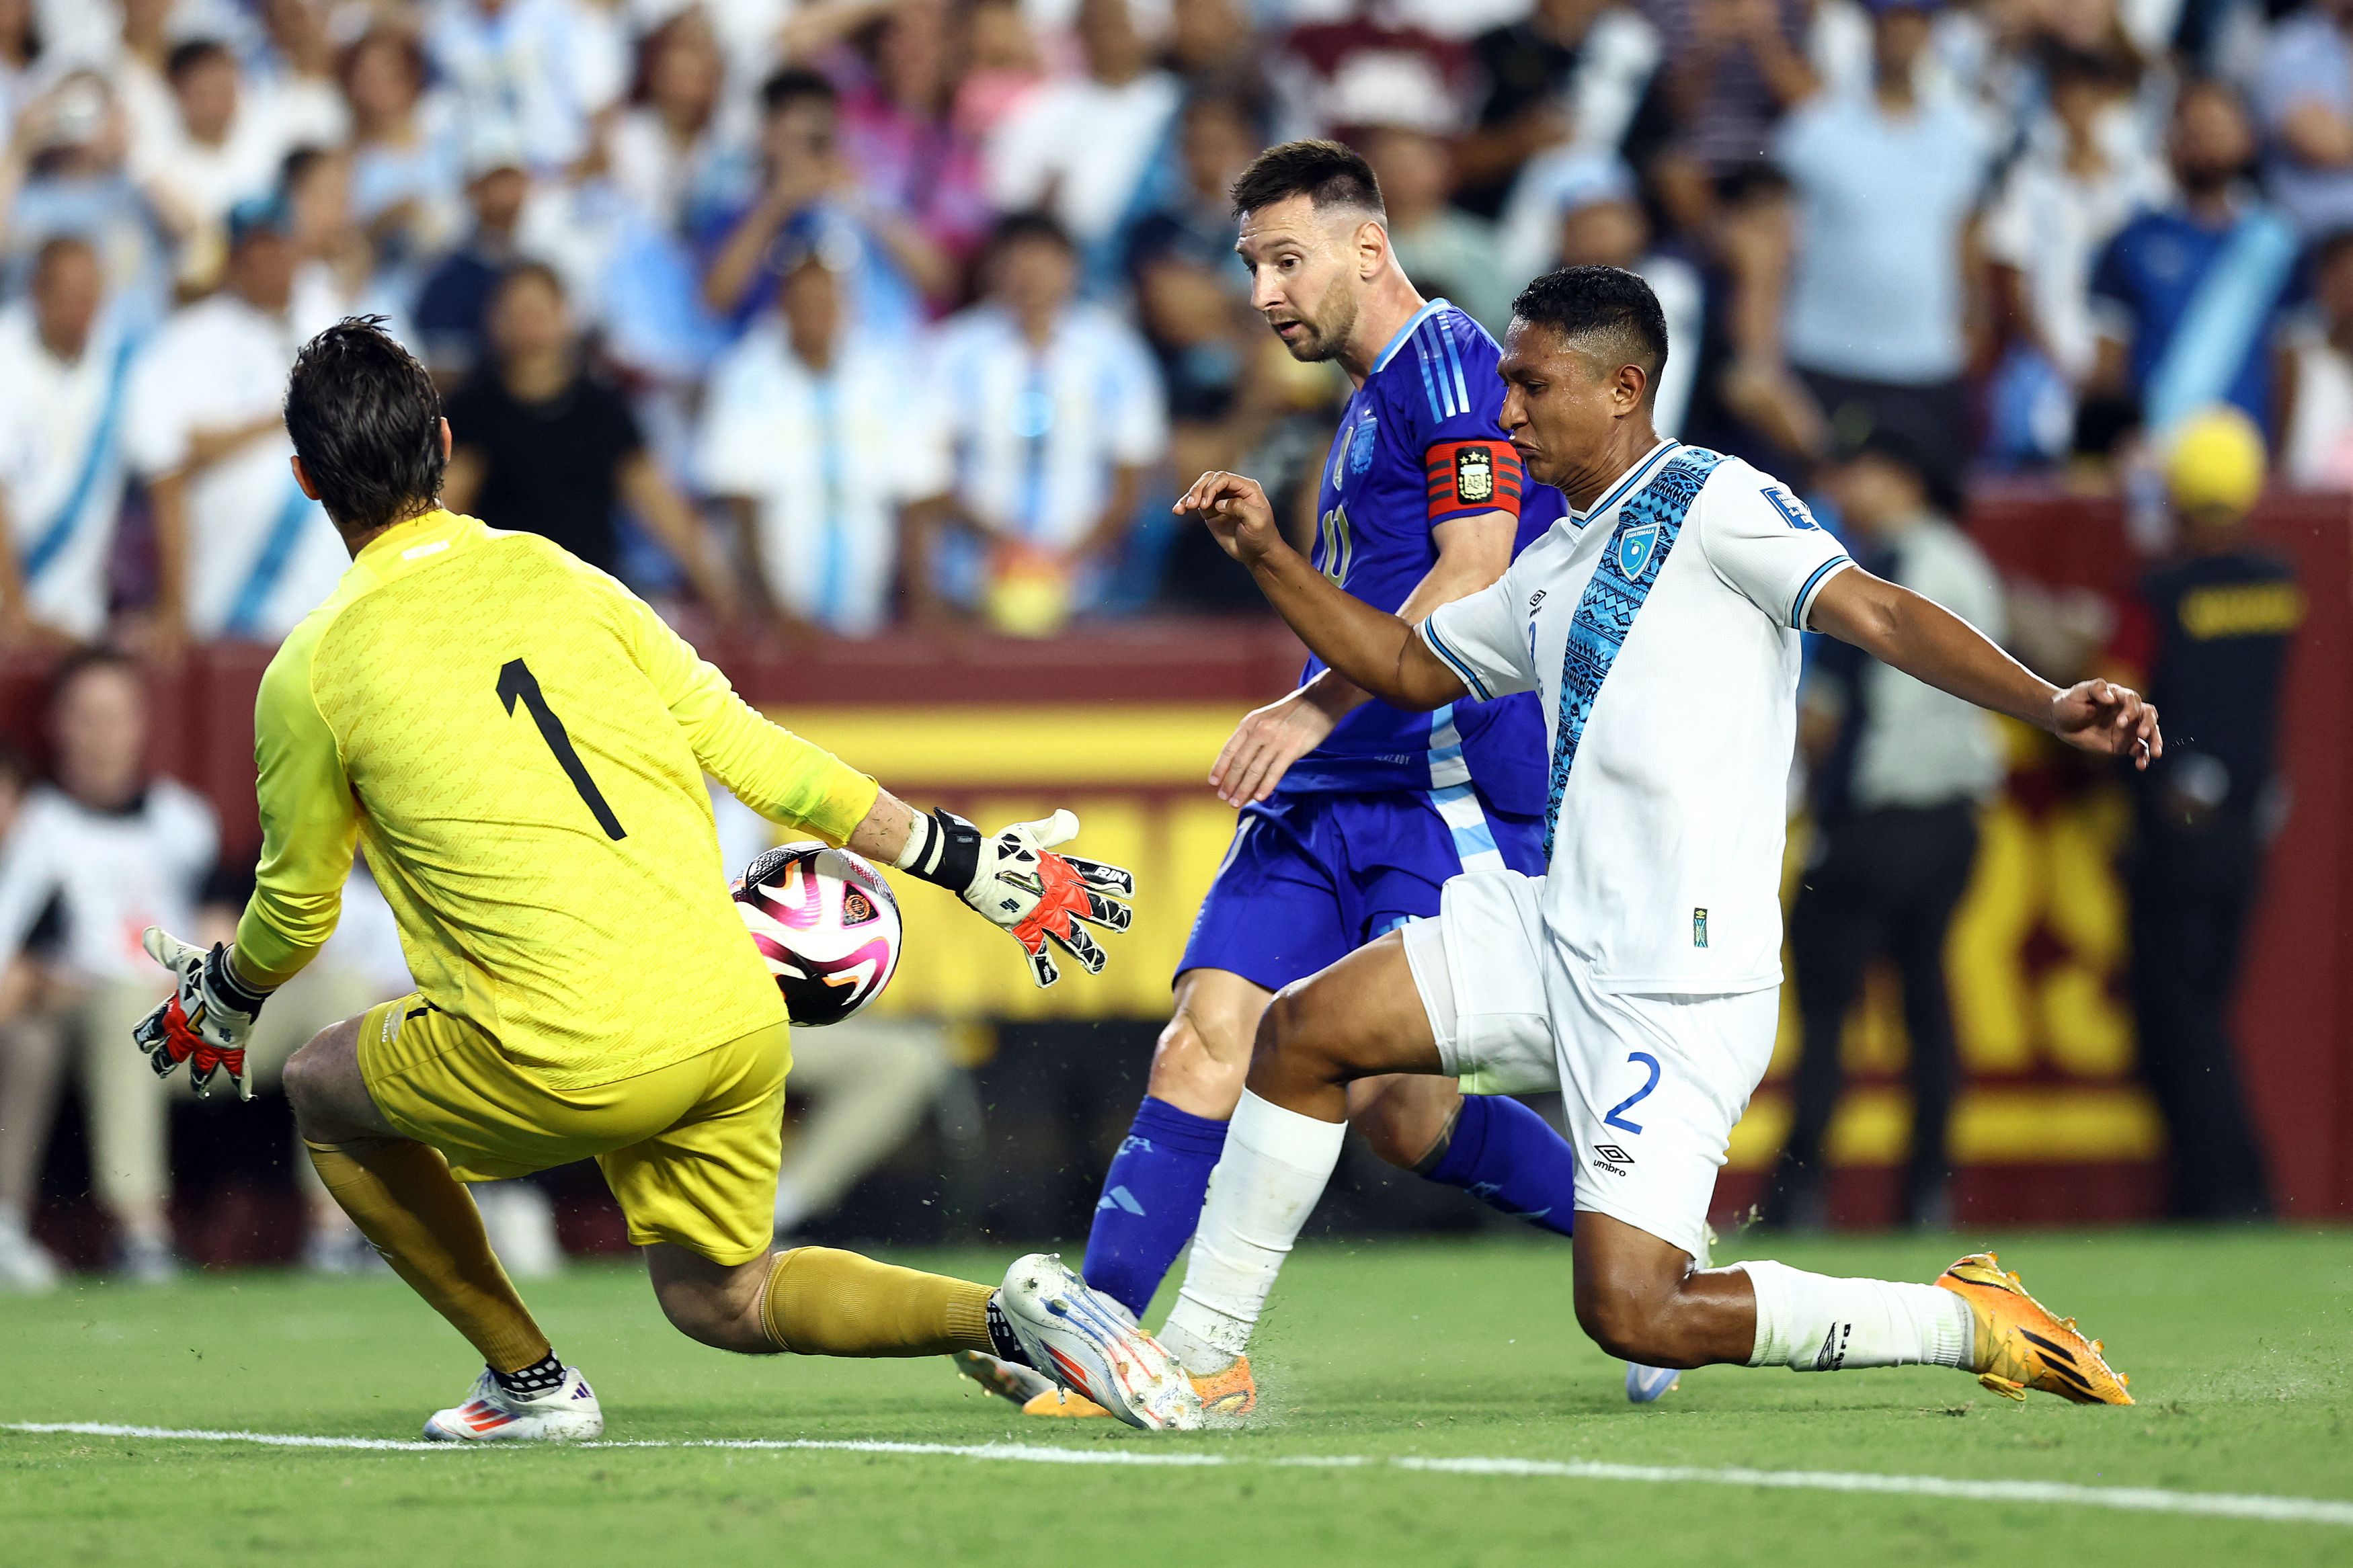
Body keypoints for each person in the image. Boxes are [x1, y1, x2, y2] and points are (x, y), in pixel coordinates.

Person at [129, 317, 1192, 1440]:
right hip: (734, 1016)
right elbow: (755, 750)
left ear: (302, 477)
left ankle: (530, 1382)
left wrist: (227, 991)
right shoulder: (568, 575)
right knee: (720, 1295)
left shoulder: (311, 666)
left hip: (564, 1051)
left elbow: (296, 909)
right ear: (443, 440)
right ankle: (1014, 1315)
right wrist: (960, 858)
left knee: (320, 1084)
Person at [1157, 263, 2158, 1411]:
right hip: (1551, 925)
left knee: (1639, 1310)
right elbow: (1399, 662)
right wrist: (1272, 557)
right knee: (1303, 1033)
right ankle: (1198, 1358)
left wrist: (2043, 701)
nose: (1507, 411)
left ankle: (1965, 1318)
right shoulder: (1551, 561)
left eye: (1531, 386)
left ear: (1623, 387)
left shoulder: (1716, 498)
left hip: (1673, 979)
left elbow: (1874, 606)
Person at [953, 141, 1677, 1418]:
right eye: (1251, 265)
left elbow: (1478, 565)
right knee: (1202, 1038)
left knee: (1402, 1109)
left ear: (1369, 247)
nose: (1263, 291)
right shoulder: (1356, 405)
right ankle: (1098, 1346)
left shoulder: (1451, 361)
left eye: (1288, 260)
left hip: (1437, 786)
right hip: (1334, 793)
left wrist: (1311, 702)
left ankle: (1658, 1262)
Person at [1763, 431, 2006, 1230]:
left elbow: (1829, 718)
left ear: (1898, 478)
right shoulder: (1966, 563)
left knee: (1828, 1008)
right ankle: (1927, 1192)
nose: (1840, 484)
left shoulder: (1881, 568)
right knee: (1924, 1000)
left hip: (1876, 814)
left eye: (1854, 469)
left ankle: (1799, 1192)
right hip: (1955, 818)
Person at [2115, 407, 2295, 1220]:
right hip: (2246, 830)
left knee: (2179, 1023)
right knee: (2203, 1013)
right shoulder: (2278, 586)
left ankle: (2233, 1190)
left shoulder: (2163, 591)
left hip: (2176, 832)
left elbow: (2114, 678)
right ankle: (2212, 1189)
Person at [1773, 0, 1993, 495]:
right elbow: (1777, 239)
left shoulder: (1966, 135)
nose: (1901, 36)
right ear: (1871, 30)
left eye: (1913, 24)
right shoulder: (1815, 130)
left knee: (1920, 527)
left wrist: (1972, 325)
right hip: (1829, 356)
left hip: (1927, 360)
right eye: (1891, 23)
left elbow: (1968, 238)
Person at [442, 261, 735, 616]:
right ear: (494, 321)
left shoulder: (603, 407)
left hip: (592, 600)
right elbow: (448, 506)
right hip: (503, 602)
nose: (527, 325)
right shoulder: (473, 409)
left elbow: (657, 503)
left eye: (537, 311)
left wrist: (722, 595)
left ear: (565, 317)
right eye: (516, 313)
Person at [124, 196, 346, 649]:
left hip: (333, 595)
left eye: (279, 251)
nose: (269, 265)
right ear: (232, 262)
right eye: (255, 255)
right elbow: (169, 466)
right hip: (232, 598)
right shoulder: (185, 342)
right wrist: (174, 605)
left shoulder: (334, 324)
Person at [926, 211, 1165, 630]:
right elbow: (928, 470)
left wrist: (1068, 558)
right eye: (1017, 264)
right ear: (993, 271)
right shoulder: (953, 352)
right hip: (972, 584)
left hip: (1085, 588)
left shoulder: (1115, 354)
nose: (1030, 278)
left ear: (1071, 268)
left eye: (1044, 263)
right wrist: (1003, 546)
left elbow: (1132, 475)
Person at [696, 249, 950, 636]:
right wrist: (770, 608)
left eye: (827, 301)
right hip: (778, 616)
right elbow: (739, 501)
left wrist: (921, 603)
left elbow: (918, 493)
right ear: (783, 307)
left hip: (871, 610)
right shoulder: (745, 377)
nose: (816, 313)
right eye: (804, 302)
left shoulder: (888, 377)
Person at [2089, 81, 2295, 440]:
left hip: (2246, 459)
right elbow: (2109, 361)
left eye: (2217, 129)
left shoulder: (2277, 245)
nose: (2204, 142)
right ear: (2170, 141)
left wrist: (2280, 457)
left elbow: (2288, 360)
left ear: (2247, 139)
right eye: (2192, 129)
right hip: (2153, 456)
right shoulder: (2132, 240)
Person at [0, 235, 136, 647]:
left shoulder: (120, 361)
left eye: (92, 294)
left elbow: (166, 469)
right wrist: (16, 609)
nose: (84, 308)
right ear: (37, 293)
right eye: (70, 295)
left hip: (80, 614)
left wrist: (170, 610)